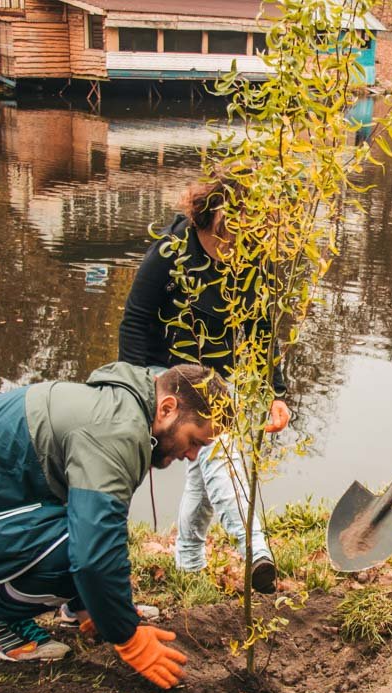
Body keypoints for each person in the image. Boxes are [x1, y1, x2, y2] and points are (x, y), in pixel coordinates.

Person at [0, 363, 226, 689]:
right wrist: (127, 635)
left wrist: (97, 608)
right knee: (81, 545)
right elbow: (91, 555)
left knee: (99, 529)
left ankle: (77, 607)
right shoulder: (116, 431)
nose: (193, 455)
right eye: (194, 440)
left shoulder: (129, 400)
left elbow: (99, 525)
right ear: (168, 408)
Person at [118, 179, 291, 592]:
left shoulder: (254, 258)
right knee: (217, 454)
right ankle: (254, 549)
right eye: (226, 235)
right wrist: (133, 389)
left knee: (206, 468)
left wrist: (275, 392)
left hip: (217, 377)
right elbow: (136, 319)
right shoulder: (170, 252)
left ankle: (189, 560)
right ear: (204, 218)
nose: (234, 246)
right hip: (169, 378)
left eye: (246, 235)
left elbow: (261, 328)